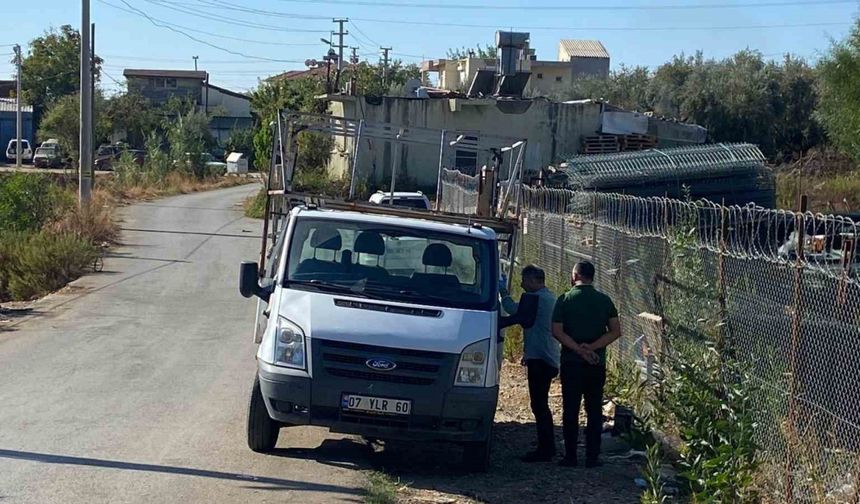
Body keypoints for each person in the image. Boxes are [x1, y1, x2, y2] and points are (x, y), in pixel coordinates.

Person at [551, 261, 621, 468]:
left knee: (570, 409)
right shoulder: (604, 300)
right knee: (594, 409)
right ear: (592, 277)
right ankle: (592, 456)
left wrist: (577, 349)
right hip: (596, 363)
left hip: (572, 362)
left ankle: (571, 455)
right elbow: (616, 331)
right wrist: (592, 347)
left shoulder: (565, 299)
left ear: (575, 276)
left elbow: (556, 330)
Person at [500, 265, 561, 462]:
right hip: (546, 357)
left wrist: (502, 292)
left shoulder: (537, 299)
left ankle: (546, 448)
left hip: (540, 359)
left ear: (535, 281)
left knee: (539, 404)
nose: (521, 284)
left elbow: (515, 312)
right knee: (540, 403)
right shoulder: (549, 298)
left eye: (524, 280)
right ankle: (546, 444)